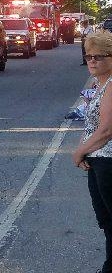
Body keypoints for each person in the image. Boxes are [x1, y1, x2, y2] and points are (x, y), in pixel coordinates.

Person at [72, 30, 112, 273]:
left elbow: (107, 130)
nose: (93, 61)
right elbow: (92, 125)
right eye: (89, 57)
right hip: (98, 159)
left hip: (108, 161)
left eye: (100, 56)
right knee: (106, 221)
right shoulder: (99, 84)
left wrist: (78, 153)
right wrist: (85, 150)